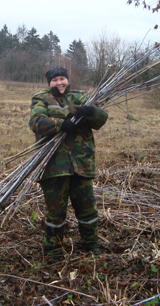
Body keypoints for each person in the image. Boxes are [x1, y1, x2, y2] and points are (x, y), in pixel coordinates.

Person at [29, 66, 108, 256]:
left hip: (81, 163)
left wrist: (90, 111)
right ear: (49, 83)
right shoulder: (42, 98)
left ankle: (91, 244)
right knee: (56, 211)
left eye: (62, 79)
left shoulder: (81, 97)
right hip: (55, 165)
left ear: (67, 79)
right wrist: (61, 124)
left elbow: (101, 119)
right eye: (55, 80)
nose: (59, 83)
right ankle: (53, 248)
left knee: (87, 207)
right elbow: (36, 122)